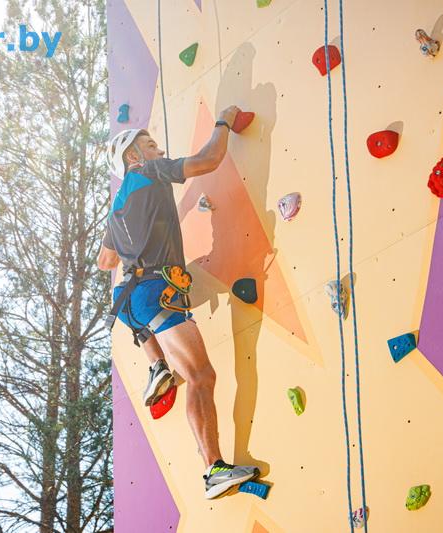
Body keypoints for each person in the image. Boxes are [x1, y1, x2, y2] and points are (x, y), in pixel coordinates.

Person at [97, 105, 260, 499]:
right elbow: (209, 159)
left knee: (189, 371)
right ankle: (214, 470)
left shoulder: (117, 206)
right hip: (158, 292)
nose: (158, 148)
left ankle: (157, 366)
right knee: (202, 377)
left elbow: (106, 261)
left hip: (130, 302)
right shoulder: (148, 172)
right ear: (133, 157)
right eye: (150, 145)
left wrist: (153, 226)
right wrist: (223, 121)